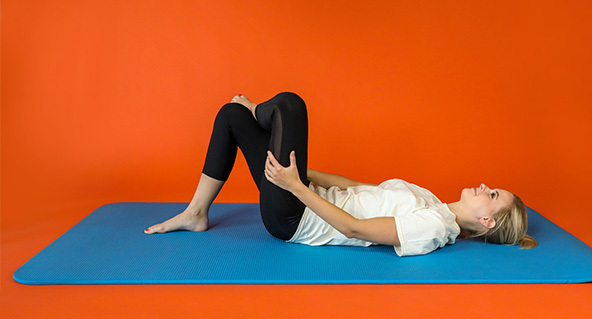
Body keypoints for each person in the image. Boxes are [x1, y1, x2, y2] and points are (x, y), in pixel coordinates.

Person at [145, 92, 537, 256]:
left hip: (294, 218)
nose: (485, 187)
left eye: (493, 195)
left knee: (291, 106)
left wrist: (295, 186)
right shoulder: (431, 199)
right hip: (299, 192)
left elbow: (355, 229)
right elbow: (358, 188)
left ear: (487, 220)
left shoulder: (434, 228)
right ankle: (197, 212)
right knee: (230, 117)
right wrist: (298, 172)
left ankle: (254, 111)